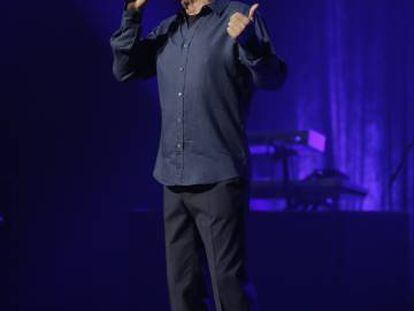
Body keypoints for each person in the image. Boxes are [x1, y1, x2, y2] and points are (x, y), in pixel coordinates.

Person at [110, 0, 286, 310]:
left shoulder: (237, 16)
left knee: (228, 287)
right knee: (183, 289)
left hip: (218, 174)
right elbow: (125, 70)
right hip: (173, 176)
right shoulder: (168, 28)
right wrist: (132, 14)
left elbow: (273, 78)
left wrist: (251, 45)